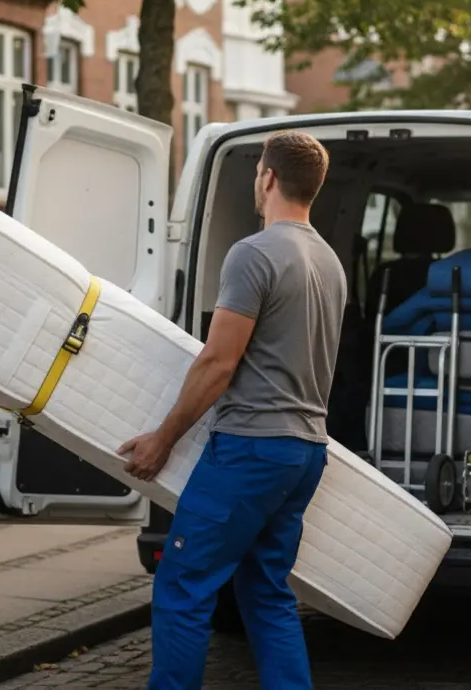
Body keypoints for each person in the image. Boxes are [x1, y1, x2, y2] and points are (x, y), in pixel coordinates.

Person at [118, 129, 346, 690]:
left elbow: (218, 363)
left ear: (268, 177)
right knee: (266, 592)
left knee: (183, 584)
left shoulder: (254, 253)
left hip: (250, 450)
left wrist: (163, 439)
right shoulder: (329, 262)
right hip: (305, 451)